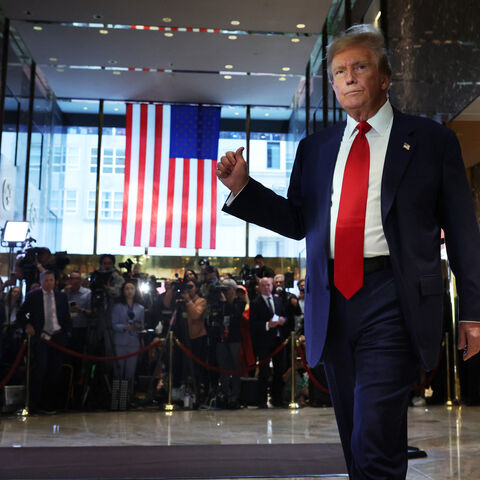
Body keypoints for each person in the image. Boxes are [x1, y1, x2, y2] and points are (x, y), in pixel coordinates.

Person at [216, 23, 480, 479]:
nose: (350, 77)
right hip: (332, 300)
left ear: (384, 77)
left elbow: (462, 230)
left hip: (395, 297)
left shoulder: (431, 140)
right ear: (334, 84)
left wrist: (473, 310)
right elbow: (299, 222)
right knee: (357, 438)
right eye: (340, 71)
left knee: (374, 434)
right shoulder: (314, 149)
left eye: (360, 66)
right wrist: (243, 189)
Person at [16, 270, 72, 413]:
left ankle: (50, 404)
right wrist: (28, 324)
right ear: (41, 282)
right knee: (41, 369)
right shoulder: (33, 296)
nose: (49, 283)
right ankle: (35, 404)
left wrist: (66, 333)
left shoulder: (61, 297)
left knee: (55, 371)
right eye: (46, 280)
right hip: (41, 337)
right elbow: (23, 314)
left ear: (55, 281)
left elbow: (65, 317)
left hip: (57, 337)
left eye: (51, 280)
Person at [249, 277, 287, 408]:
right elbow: (253, 324)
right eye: (264, 286)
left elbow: (284, 316)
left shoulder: (278, 300)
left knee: (279, 370)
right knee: (264, 372)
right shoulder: (255, 303)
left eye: (268, 285)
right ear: (259, 288)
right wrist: (267, 324)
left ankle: (278, 399)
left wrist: (282, 320)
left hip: (278, 340)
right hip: (264, 341)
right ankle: (262, 400)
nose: (267, 288)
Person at [111, 281, 144, 405]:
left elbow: (142, 325)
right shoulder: (117, 306)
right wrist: (125, 327)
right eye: (127, 288)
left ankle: (127, 400)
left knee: (130, 372)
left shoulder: (140, 308)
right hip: (120, 341)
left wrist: (137, 325)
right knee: (118, 371)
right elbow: (114, 324)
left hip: (133, 342)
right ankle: (117, 400)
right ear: (123, 291)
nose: (129, 291)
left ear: (135, 291)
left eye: (131, 288)